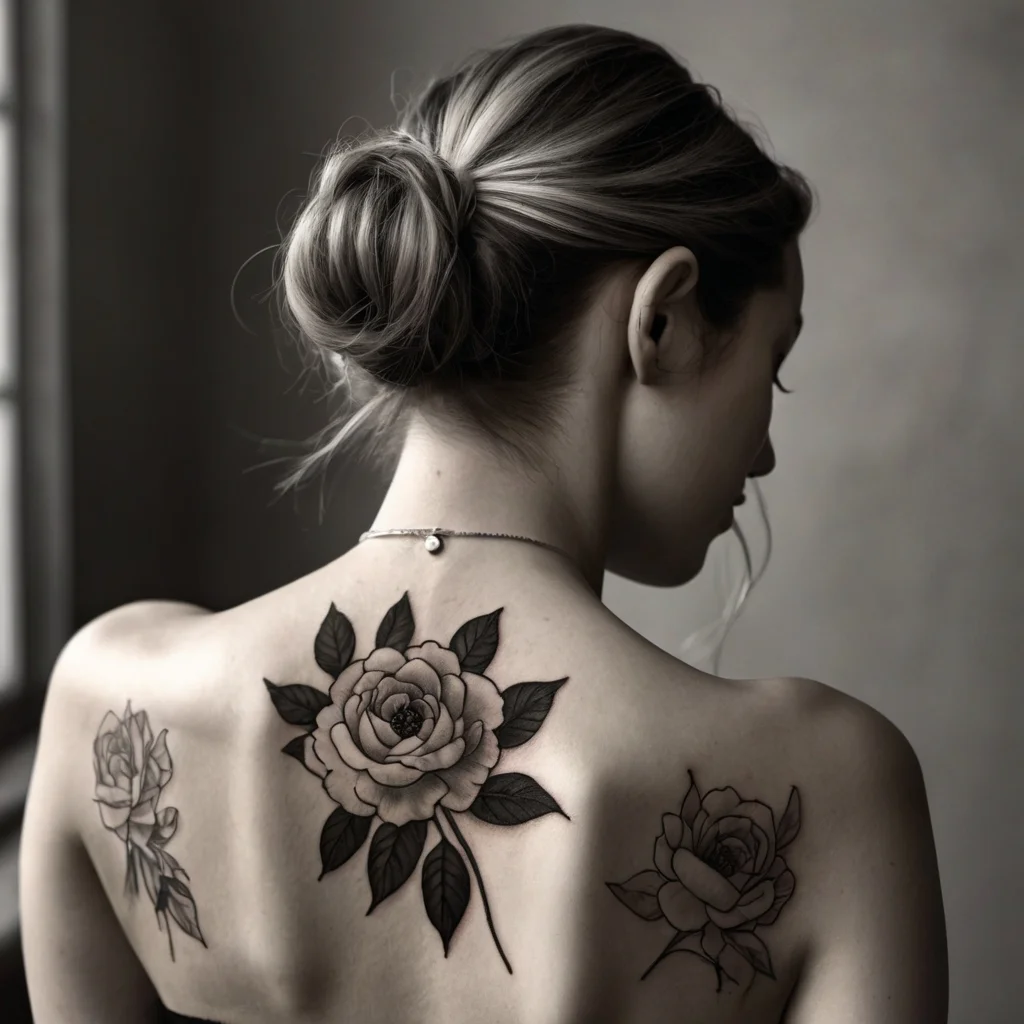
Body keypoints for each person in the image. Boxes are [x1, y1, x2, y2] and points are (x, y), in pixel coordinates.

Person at [19, 22, 948, 1024]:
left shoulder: (111, 703)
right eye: (771, 363)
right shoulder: (827, 792)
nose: (764, 448)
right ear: (663, 318)